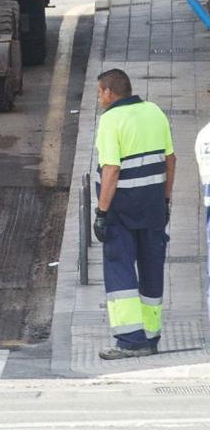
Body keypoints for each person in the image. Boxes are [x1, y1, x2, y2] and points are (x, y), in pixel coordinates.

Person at [91, 68, 174, 360]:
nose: (99, 97)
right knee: (152, 269)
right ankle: (150, 338)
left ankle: (129, 340)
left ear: (109, 93)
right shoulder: (154, 111)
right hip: (152, 207)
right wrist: (165, 200)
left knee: (120, 269)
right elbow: (169, 159)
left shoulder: (111, 120)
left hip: (122, 211)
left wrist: (101, 212)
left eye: (99, 92)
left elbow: (111, 169)